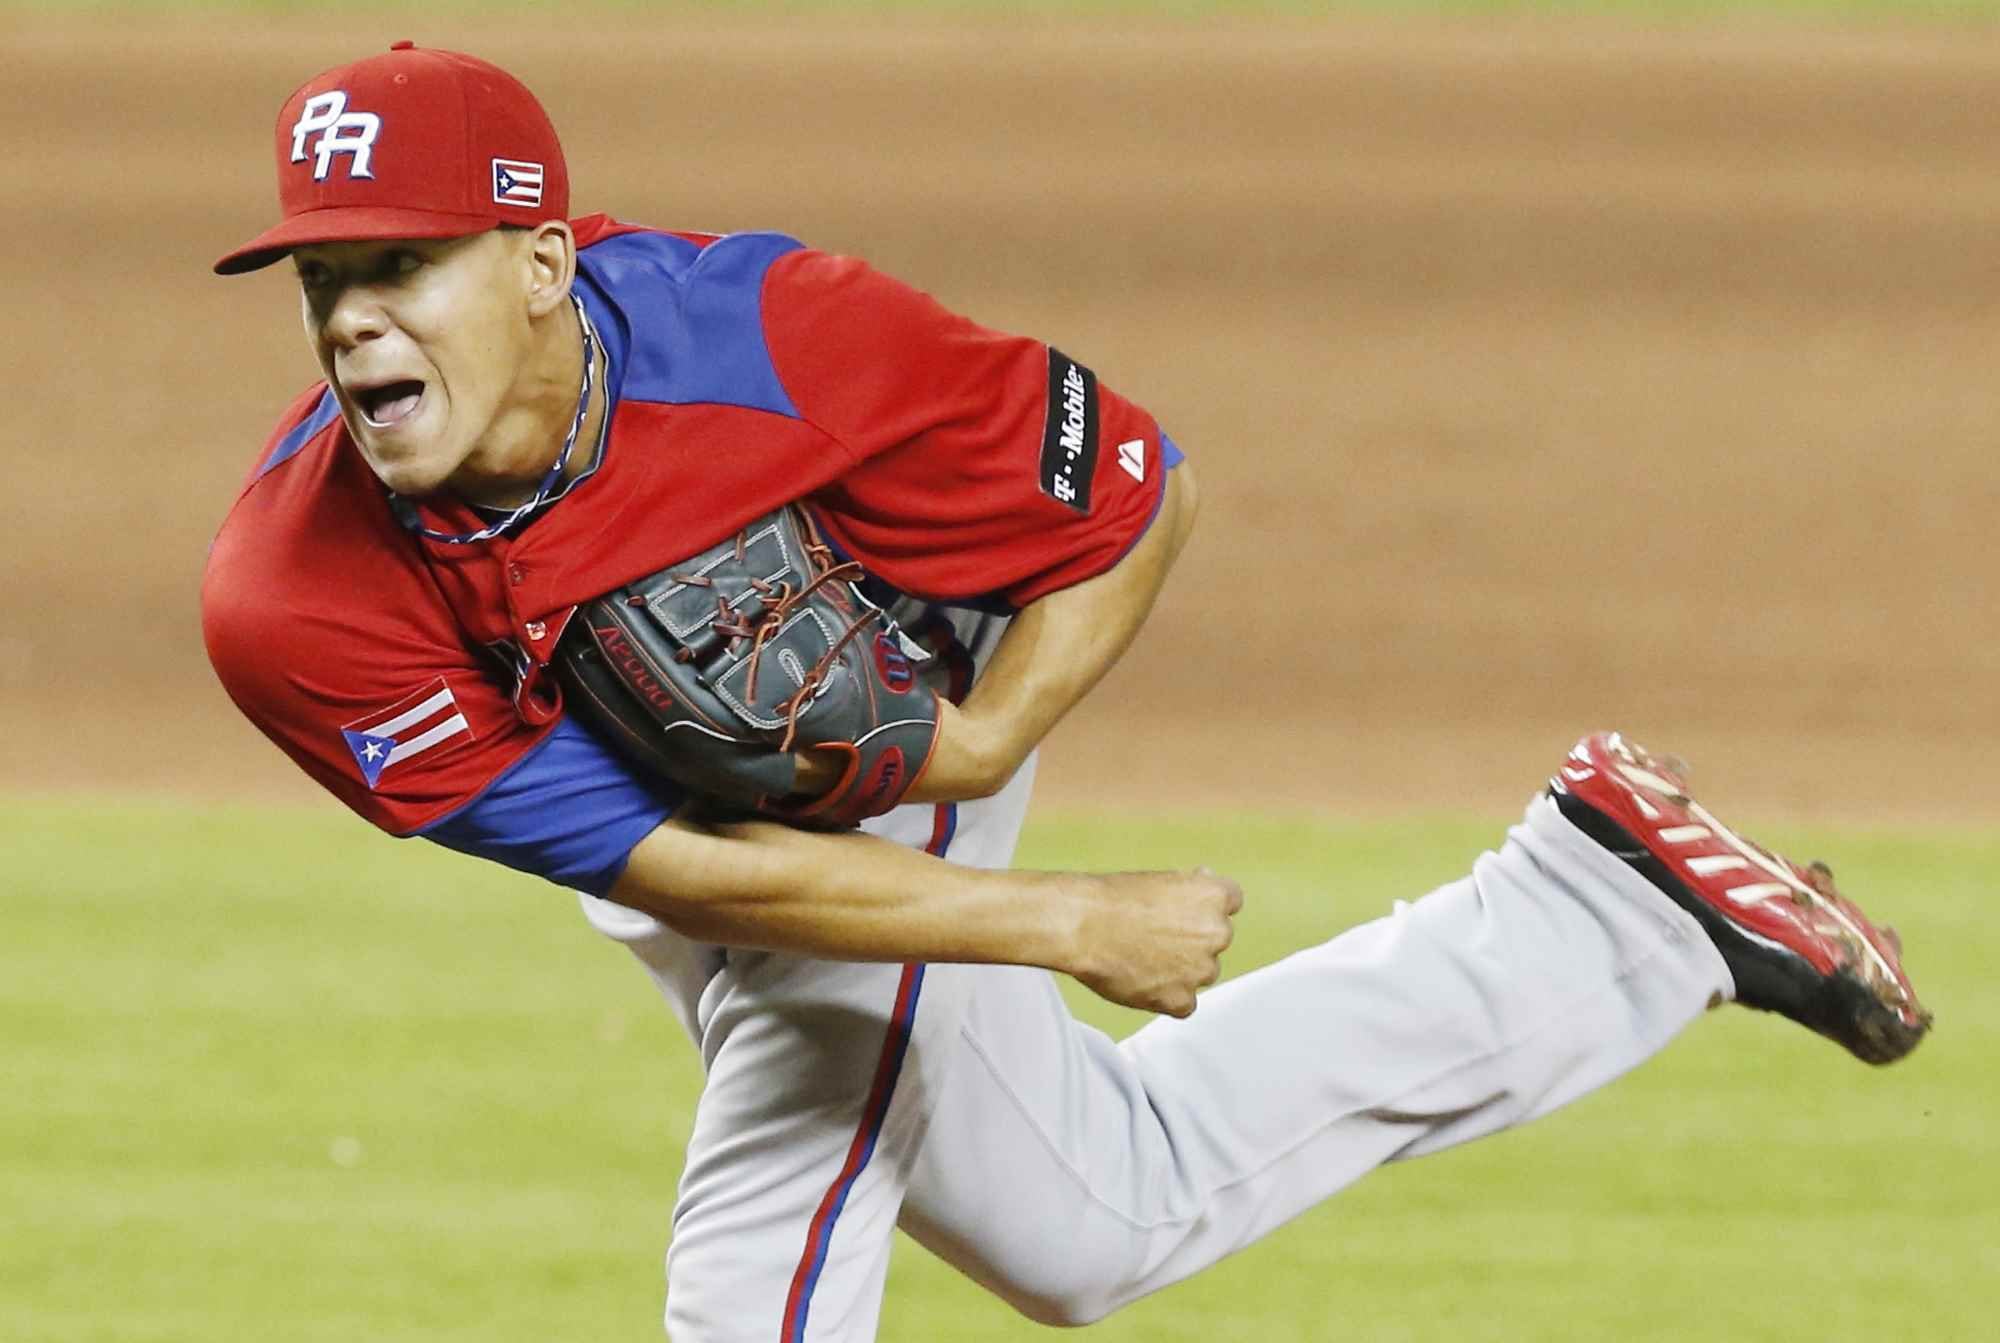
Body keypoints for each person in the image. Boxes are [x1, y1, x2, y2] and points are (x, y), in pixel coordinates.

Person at [202, 43, 1929, 1341]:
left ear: (537, 263)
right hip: (709, 829)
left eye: (401, 265)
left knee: (783, 1168)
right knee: (1095, 1220)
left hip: (895, 694)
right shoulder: (294, 602)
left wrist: (990, 737)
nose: (354, 322)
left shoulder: (779, 336)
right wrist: (1055, 918)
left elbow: (1133, 489)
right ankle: (1609, 909)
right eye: (325, 278)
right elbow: (678, 865)